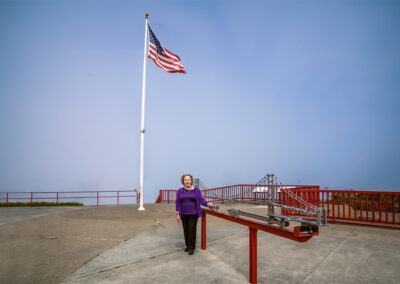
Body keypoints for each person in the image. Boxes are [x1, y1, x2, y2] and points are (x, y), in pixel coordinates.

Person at [175, 174, 213, 255]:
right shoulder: (180, 191)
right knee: (186, 230)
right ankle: (188, 246)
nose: (187, 181)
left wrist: (207, 203)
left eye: (189, 180)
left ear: (191, 181)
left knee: (192, 229)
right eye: (185, 180)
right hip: (183, 213)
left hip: (193, 213)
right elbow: (177, 202)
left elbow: (201, 199)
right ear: (183, 181)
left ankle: (191, 247)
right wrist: (177, 214)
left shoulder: (196, 190)